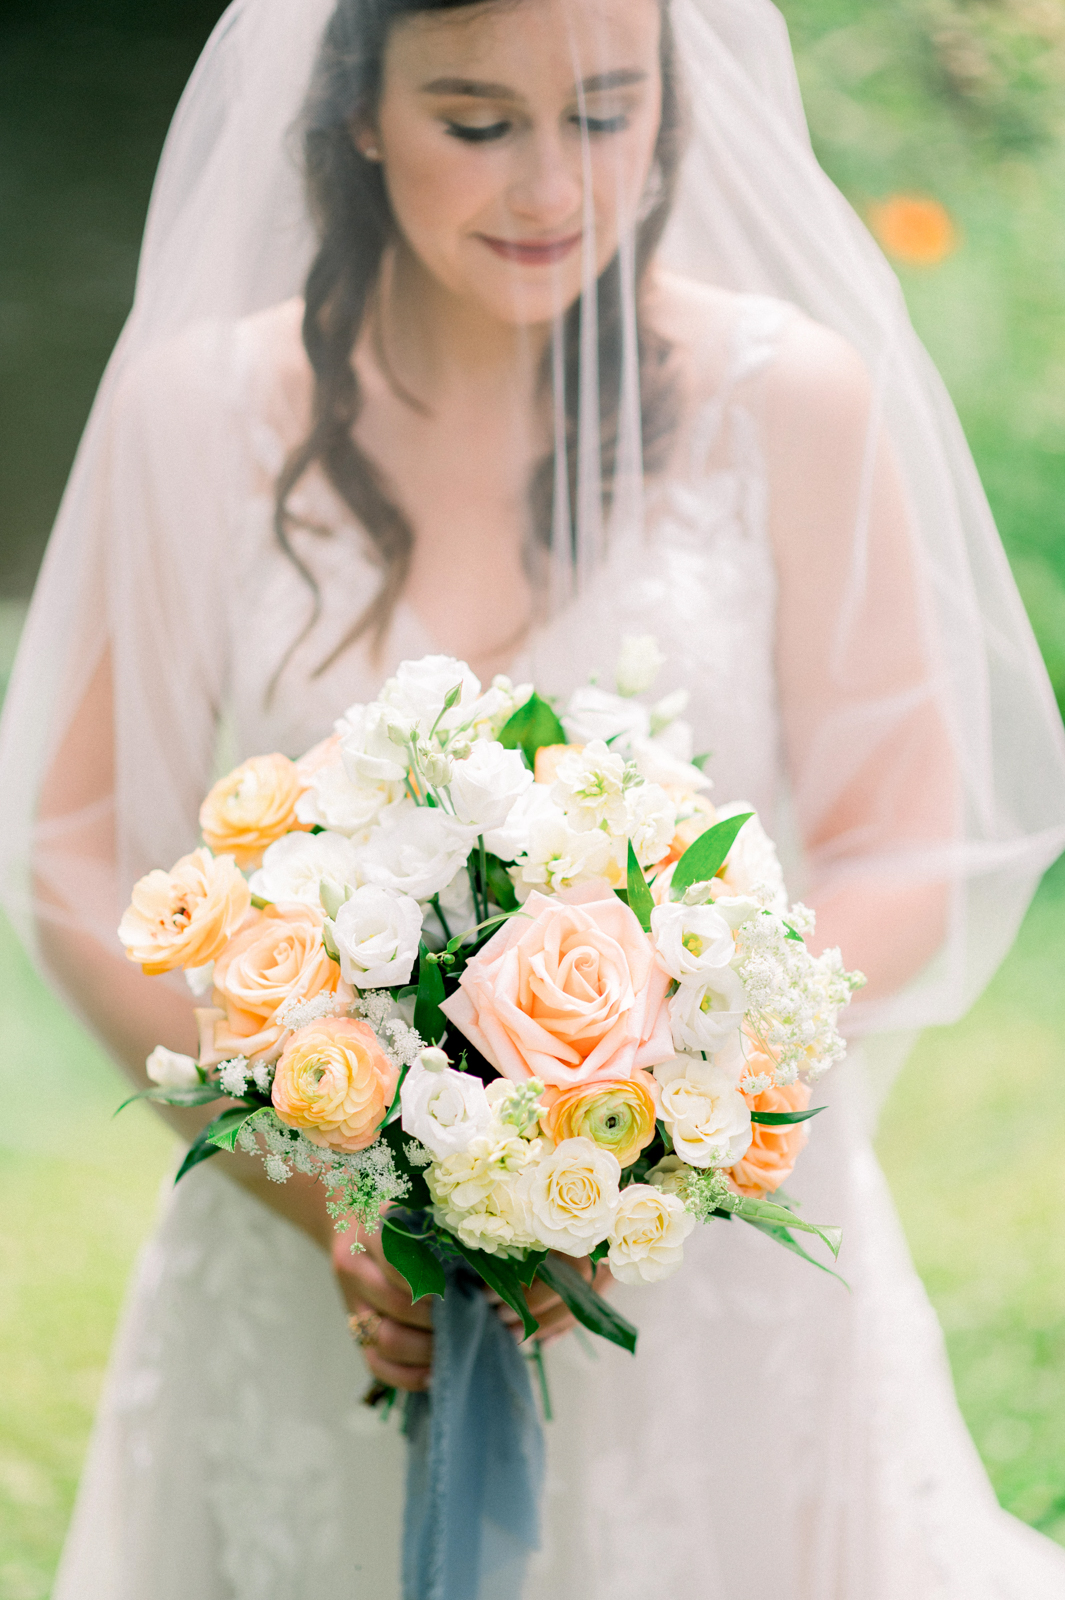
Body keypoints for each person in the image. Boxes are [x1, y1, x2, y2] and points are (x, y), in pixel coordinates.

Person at [2, 0, 1064, 1594]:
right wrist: (327, 1194)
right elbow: (72, 852)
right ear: (358, 110)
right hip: (302, 1238)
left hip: (694, 1257)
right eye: (477, 122)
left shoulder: (790, 403)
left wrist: (657, 1137)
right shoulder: (192, 418)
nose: (553, 187)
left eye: (606, 112)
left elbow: (901, 842)